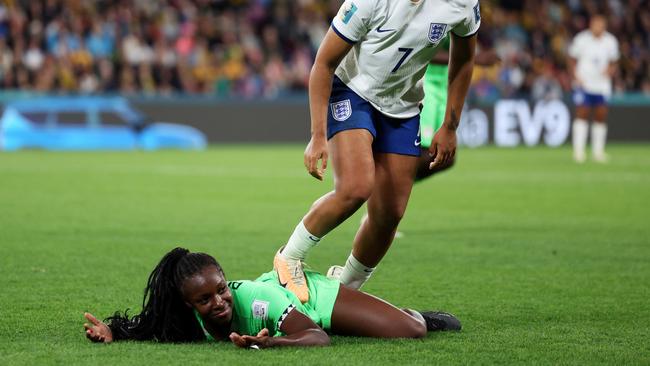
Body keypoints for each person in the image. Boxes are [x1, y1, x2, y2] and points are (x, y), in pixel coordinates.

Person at [274, 0, 480, 299]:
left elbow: (464, 60)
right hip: (353, 92)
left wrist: (450, 126)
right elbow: (324, 63)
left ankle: (345, 288)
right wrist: (318, 135)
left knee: (390, 214)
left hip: (403, 106)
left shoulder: (461, 3)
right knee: (356, 187)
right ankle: (289, 257)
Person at [83, 248, 461, 348]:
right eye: (204, 300)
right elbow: (150, 325)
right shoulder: (185, 318)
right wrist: (114, 333)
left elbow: (317, 337)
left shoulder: (256, 299)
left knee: (411, 330)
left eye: (221, 289)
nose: (219, 302)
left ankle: (413, 312)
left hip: (309, 299)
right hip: (292, 310)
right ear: (188, 305)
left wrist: (269, 343)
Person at [568, 14, 619, 163]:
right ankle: (578, 152)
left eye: (601, 25)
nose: (598, 27)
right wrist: (575, 76)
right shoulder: (581, 39)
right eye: (595, 24)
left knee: (601, 114)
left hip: (602, 84)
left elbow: (614, 61)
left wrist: (610, 70)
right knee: (582, 112)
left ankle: (598, 152)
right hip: (584, 82)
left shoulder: (610, 41)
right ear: (591, 25)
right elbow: (571, 59)